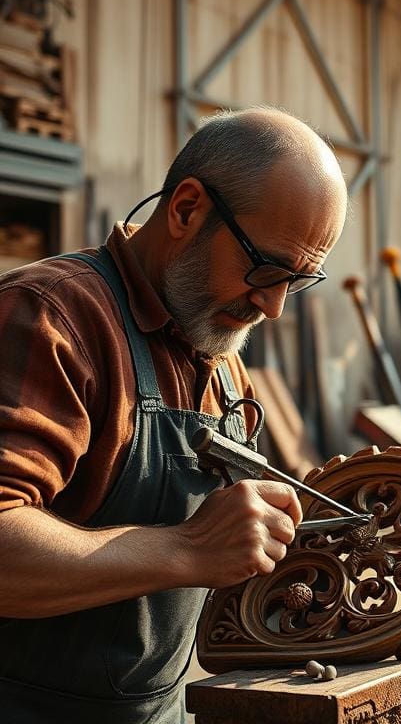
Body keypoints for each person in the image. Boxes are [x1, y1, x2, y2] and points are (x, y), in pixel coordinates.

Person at [0, 106, 348, 723]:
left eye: (297, 282)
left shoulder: (217, 352)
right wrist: (188, 547)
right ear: (187, 209)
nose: (272, 308)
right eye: (266, 269)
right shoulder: (53, 319)